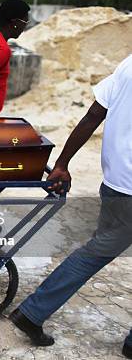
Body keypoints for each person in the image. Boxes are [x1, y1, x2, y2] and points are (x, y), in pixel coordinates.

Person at [9, 54, 132, 359]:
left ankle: (35, 312)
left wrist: (62, 163)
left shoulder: (129, 63)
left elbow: (93, 115)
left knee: (99, 249)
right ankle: (33, 311)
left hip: (116, 182)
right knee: (95, 252)